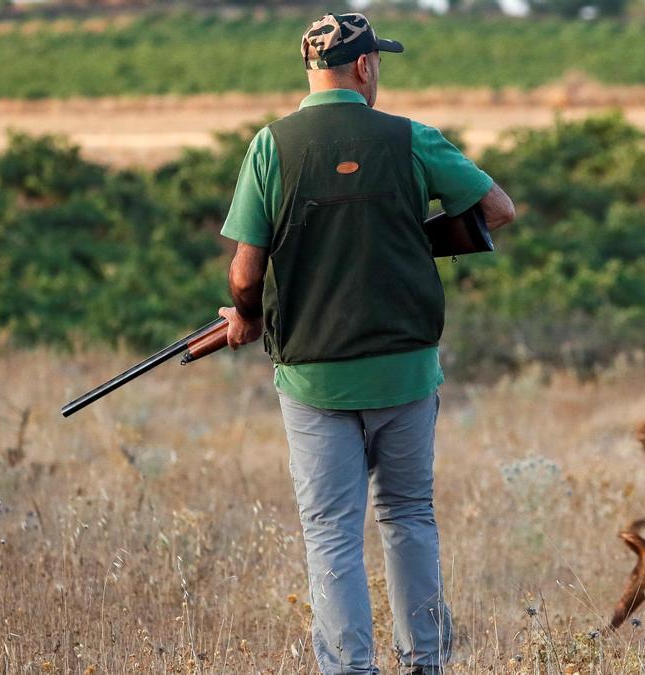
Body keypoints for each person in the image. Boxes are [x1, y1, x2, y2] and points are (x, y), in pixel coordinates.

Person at [215, 13, 515, 675]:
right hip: (406, 371)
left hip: (313, 379)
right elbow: (498, 210)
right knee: (408, 515)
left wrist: (245, 315)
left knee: (331, 531)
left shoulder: (271, 145)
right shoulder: (411, 138)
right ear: (365, 66)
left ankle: (349, 668)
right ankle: (425, 662)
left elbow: (245, 271)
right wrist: (409, 239)